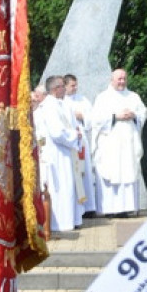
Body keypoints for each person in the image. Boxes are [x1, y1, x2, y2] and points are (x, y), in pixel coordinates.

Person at [91, 68, 147, 216]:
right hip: (110, 144)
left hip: (129, 144)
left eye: (124, 79)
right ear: (112, 80)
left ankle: (126, 209)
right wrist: (115, 117)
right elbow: (96, 120)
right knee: (111, 172)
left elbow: (143, 113)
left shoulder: (133, 97)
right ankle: (110, 209)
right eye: (119, 79)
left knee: (128, 171)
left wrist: (134, 115)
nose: (122, 82)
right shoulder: (103, 98)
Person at [39, 75, 83, 233]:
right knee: (61, 188)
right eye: (63, 86)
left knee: (68, 187)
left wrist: (76, 133)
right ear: (55, 89)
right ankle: (59, 224)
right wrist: (74, 136)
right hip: (56, 154)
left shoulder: (61, 104)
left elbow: (70, 125)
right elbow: (57, 132)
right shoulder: (49, 106)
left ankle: (71, 220)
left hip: (66, 152)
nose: (65, 89)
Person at [63, 73, 96, 216]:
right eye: (72, 85)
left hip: (81, 140)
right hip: (69, 141)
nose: (75, 88)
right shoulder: (61, 101)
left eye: (76, 85)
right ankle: (76, 209)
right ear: (65, 86)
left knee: (84, 172)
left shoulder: (83, 100)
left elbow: (92, 118)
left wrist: (82, 117)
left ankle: (88, 207)